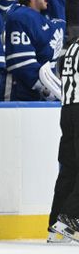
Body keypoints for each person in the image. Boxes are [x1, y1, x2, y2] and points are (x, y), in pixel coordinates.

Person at [5, 0, 79, 101]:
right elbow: (24, 66)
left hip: (49, 94)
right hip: (26, 100)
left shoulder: (51, 6)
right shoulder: (21, 17)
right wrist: (52, 92)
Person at [49, 36, 79, 243]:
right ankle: (70, 218)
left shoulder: (73, 45)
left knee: (69, 169)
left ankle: (56, 227)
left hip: (68, 109)